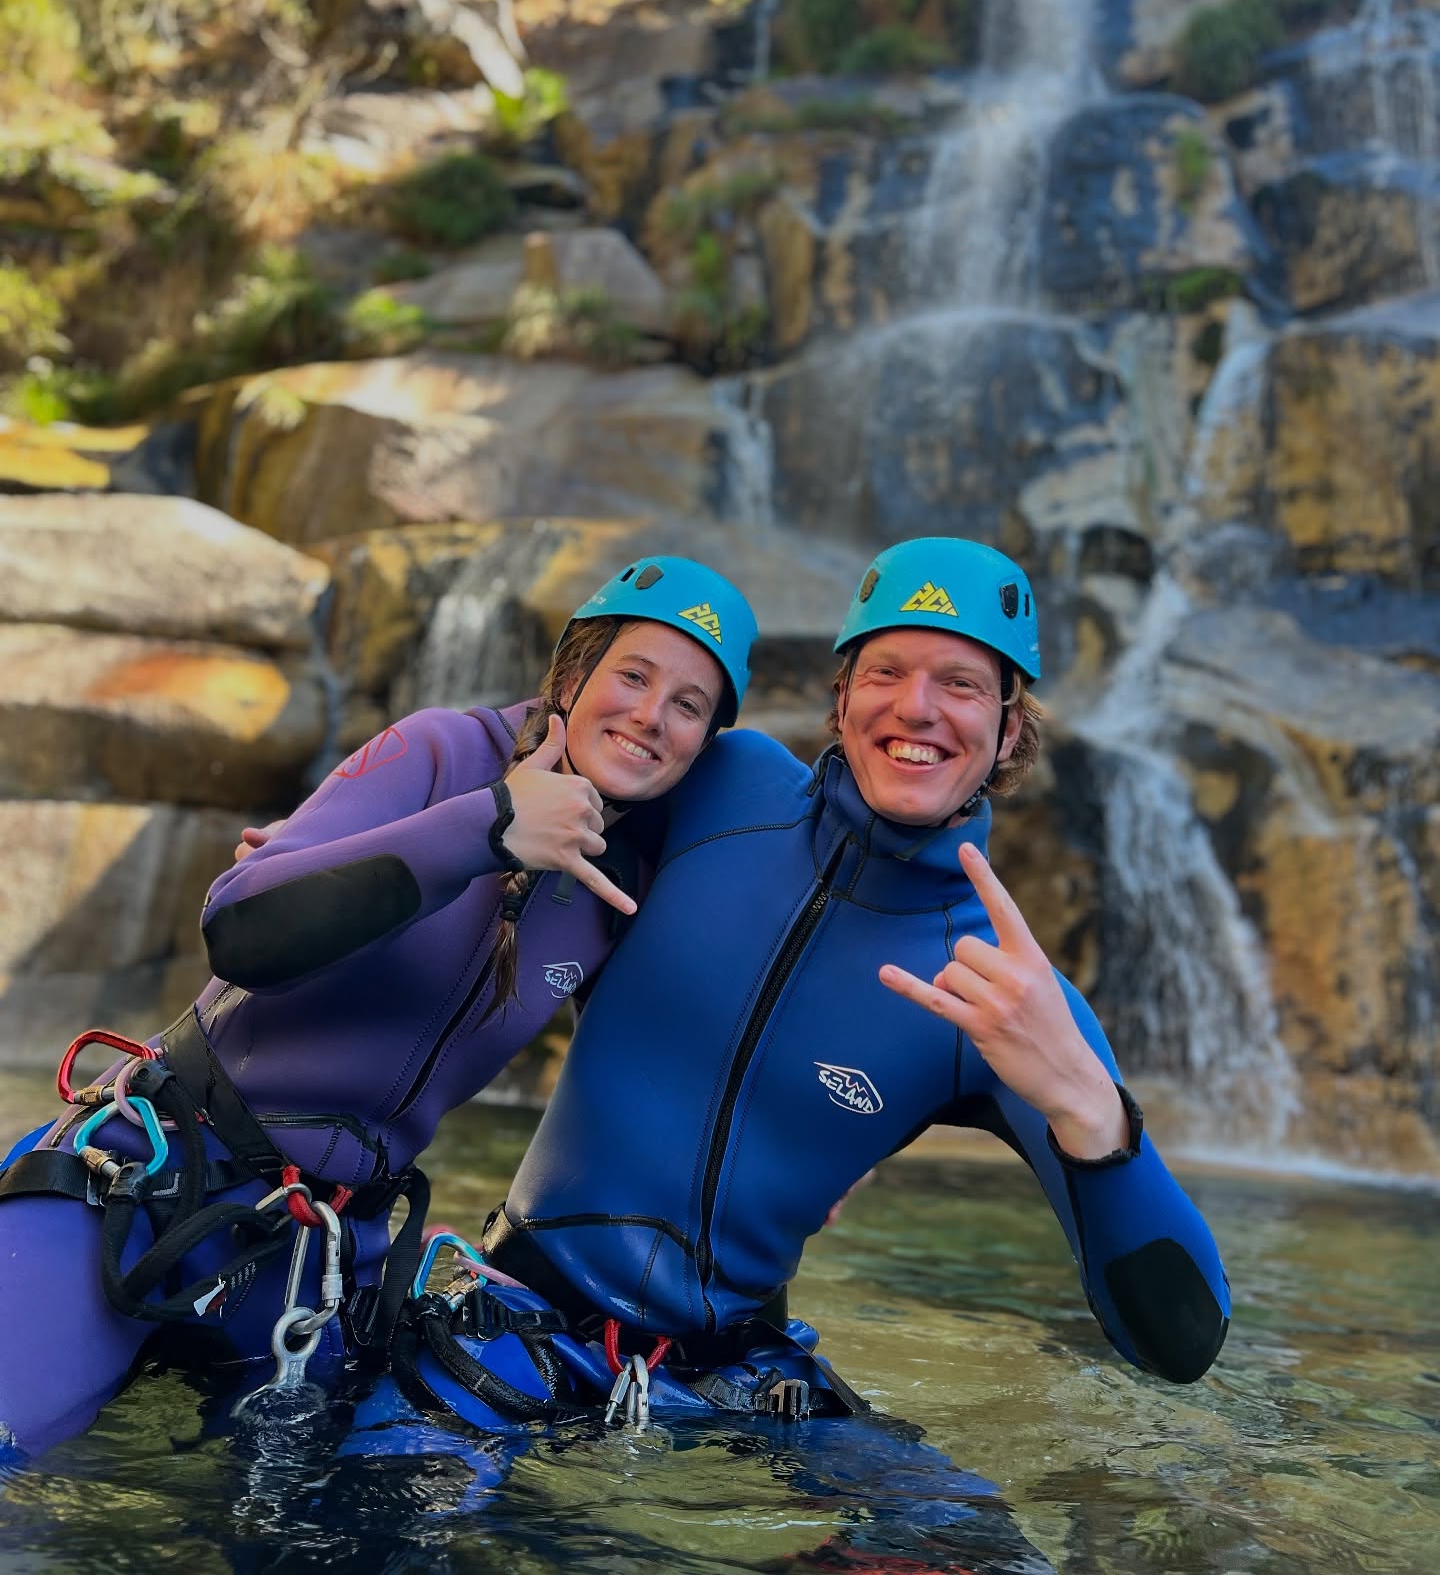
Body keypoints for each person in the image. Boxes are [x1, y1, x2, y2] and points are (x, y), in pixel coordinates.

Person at [337, 538, 1229, 1539]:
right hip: (514, 1312)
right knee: (360, 1526)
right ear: (842, 695)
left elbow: (1183, 1344)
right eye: (888, 671)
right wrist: (331, 847)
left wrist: (1089, 1111)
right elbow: (535, 759)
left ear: (1010, 730)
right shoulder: (717, 788)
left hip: (736, 1375)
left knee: (972, 1548)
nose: (919, 708)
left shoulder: (1006, 991)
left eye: (963, 685)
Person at [0, 555, 758, 1463]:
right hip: (151, 1181)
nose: (649, 716)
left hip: (317, 1256)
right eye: (633, 676)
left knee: (336, 1538)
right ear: (573, 672)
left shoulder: (624, 883)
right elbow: (240, 930)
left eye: (688, 704)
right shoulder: (439, 753)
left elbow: (666, 1075)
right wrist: (488, 824)